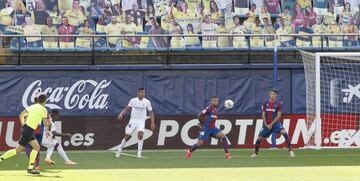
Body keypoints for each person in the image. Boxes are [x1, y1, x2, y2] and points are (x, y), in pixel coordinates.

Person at [0, 94, 49, 174]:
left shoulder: (32, 107)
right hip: (28, 130)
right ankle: (30, 168)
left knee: (36, 147)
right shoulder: (44, 110)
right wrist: (47, 122)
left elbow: (21, 115)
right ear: (45, 100)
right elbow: (46, 124)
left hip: (27, 129)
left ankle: (30, 168)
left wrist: (24, 126)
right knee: (17, 150)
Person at [251, 89, 295, 158]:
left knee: (284, 132)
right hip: (266, 124)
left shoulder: (279, 103)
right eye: (271, 93)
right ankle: (256, 153)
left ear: (276, 95)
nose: (272, 95)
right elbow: (263, 114)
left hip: (275, 123)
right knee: (259, 138)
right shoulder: (265, 102)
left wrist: (271, 124)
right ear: (269, 94)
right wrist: (266, 124)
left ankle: (290, 151)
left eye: (273, 94)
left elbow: (279, 115)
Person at [116, 88, 156, 158]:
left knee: (140, 135)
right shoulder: (133, 100)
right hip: (133, 121)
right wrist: (121, 114)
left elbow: (151, 112)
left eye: (144, 92)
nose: (143, 94)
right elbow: (127, 109)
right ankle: (119, 149)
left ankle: (139, 153)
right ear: (138, 93)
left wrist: (152, 123)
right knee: (127, 137)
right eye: (142, 92)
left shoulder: (147, 102)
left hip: (141, 121)